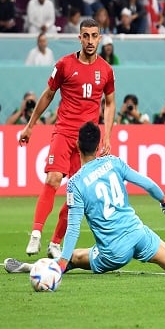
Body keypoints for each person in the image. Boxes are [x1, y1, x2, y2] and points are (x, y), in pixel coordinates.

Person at [5, 121, 165, 276]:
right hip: (138, 233)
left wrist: (61, 262)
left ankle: (31, 268)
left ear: (77, 147)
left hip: (113, 251)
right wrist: (164, 200)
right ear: (99, 143)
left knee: (74, 258)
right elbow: (146, 183)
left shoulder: (76, 184)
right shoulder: (113, 162)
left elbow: (71, 230)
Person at [19, 18, 116, 259]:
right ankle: (36, 233)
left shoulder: (106, 70)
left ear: (100, 38)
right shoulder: (64, 64)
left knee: (77, 193)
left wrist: (107, 136)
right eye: (86, 36)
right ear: (80, 38)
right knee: (53, 178)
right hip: (64, 131)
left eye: (95, 36)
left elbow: (111, 102)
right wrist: (30, 126)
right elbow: (48, 94)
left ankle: (55, 242)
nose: (90, 41)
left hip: (87, 141)